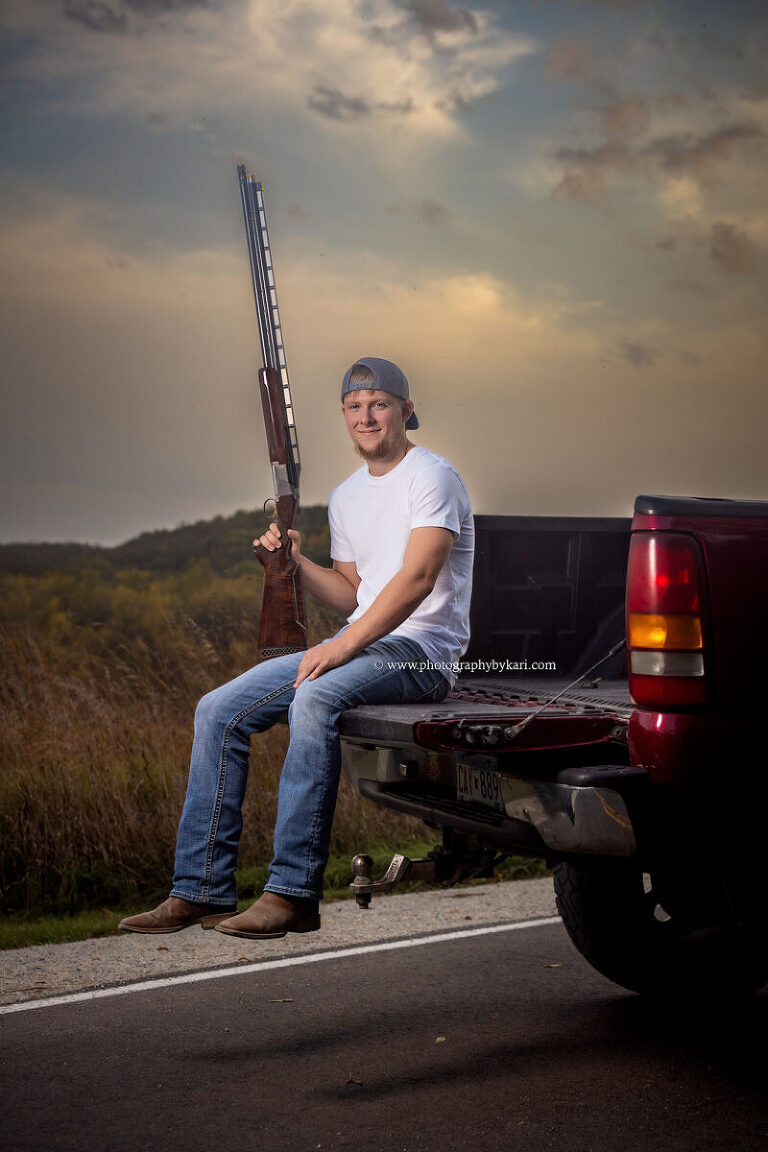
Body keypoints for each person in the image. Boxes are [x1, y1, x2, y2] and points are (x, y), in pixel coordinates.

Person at [119, 356, 474, 940]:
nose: (367, 417)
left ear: (406, 411)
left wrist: (337, 650)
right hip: (364, 641)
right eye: (355, 407)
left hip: (421, 652)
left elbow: (417, 579)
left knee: (312, 699)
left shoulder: (432, 476)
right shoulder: (346, 497)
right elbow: (355, 593)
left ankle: (292, 893)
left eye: (379, 404)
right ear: (343, 415)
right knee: (217, 710)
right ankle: (200, 889)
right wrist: (293, 563)